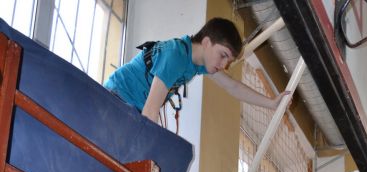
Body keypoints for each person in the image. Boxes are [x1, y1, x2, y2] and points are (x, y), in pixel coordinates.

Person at [104, 17, 289, 124]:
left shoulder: (197, 63)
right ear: (207, 42)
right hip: (115, 100)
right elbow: (151, 110)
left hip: (131, 109)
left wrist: (271, 103)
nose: (224, 65)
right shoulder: (176, 56)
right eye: (223, 55)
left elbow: (232, 86)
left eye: (228, 60)